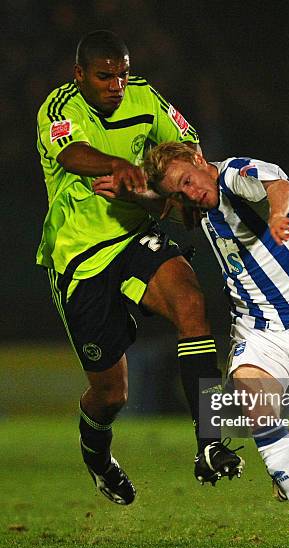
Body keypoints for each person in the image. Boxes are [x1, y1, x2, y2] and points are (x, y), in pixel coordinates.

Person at [36, 30, 244, 506]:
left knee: (192, 304)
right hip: (79, 259)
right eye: (105, 76)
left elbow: (190, 147)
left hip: (132, 239)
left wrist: (160, 194)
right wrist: (116, 164)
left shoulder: (146, 98)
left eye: (122, 74)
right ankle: (97, 457)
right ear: (80, 75)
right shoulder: (59, 107)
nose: (117, 84)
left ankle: (209, 442)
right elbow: (71, 154)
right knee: (111, 395)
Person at [144, 142, 289, 548]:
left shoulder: (237, 174)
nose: (189, 193)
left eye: (188, 181)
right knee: (253, 397)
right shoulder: (197, 202)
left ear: (201, 162)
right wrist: (139, 190)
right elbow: (169, 191)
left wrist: (276, 215)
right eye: (179, 192)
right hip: (258, 326)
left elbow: (278, 184)